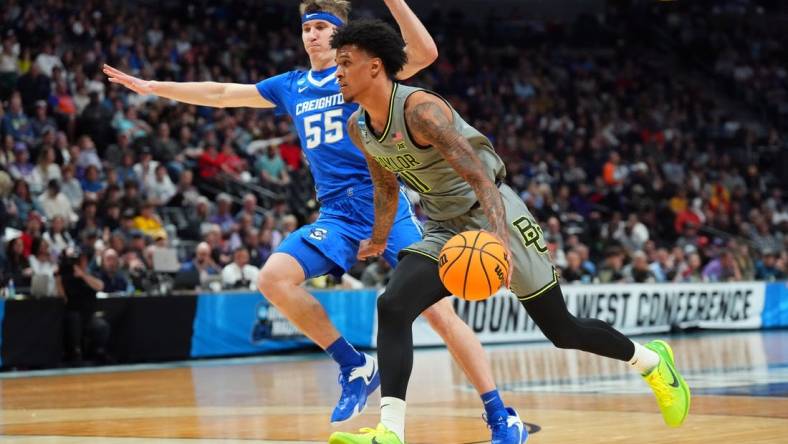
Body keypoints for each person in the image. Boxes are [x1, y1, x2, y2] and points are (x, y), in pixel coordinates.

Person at [104, 1, 524, 440]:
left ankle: (499, 413)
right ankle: (354, 364)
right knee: (272, 278)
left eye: (323, 27)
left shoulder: (364, 75)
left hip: (385, 203)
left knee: (440, 315)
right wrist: (154, 87)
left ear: (342, 36)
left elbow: (424, 52)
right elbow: (223, 94)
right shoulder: (291, 85)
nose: (312, 35)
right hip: (338, 213)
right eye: (308, 27)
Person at [327, 20, 690, 444]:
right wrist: (379, 235)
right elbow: (386, 185)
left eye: (345, 63)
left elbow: (482, 179)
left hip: (494, 212)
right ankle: (390, 432)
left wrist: (498, 239)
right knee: (392, 305)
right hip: (444, 224)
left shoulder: (421, 112)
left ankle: (650, 362)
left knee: (562, 330)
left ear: (374, 67)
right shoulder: (359, 127)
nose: (337, 72)